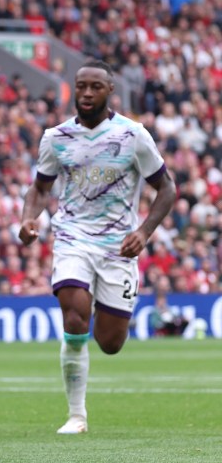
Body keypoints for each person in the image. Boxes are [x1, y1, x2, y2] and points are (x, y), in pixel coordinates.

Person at [19, 60, 176, 435]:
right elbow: (41, 189)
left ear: (110, 91)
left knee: (110, 343)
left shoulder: (133, 135)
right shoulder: (55, 137)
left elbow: (167, 189)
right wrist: (29, 218)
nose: (86, 93)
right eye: (80, 86)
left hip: (118, 247)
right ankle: (77, 415)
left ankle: (111, 320)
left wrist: (144, 231)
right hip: (72, 237)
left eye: (95, 87)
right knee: (74, 317)